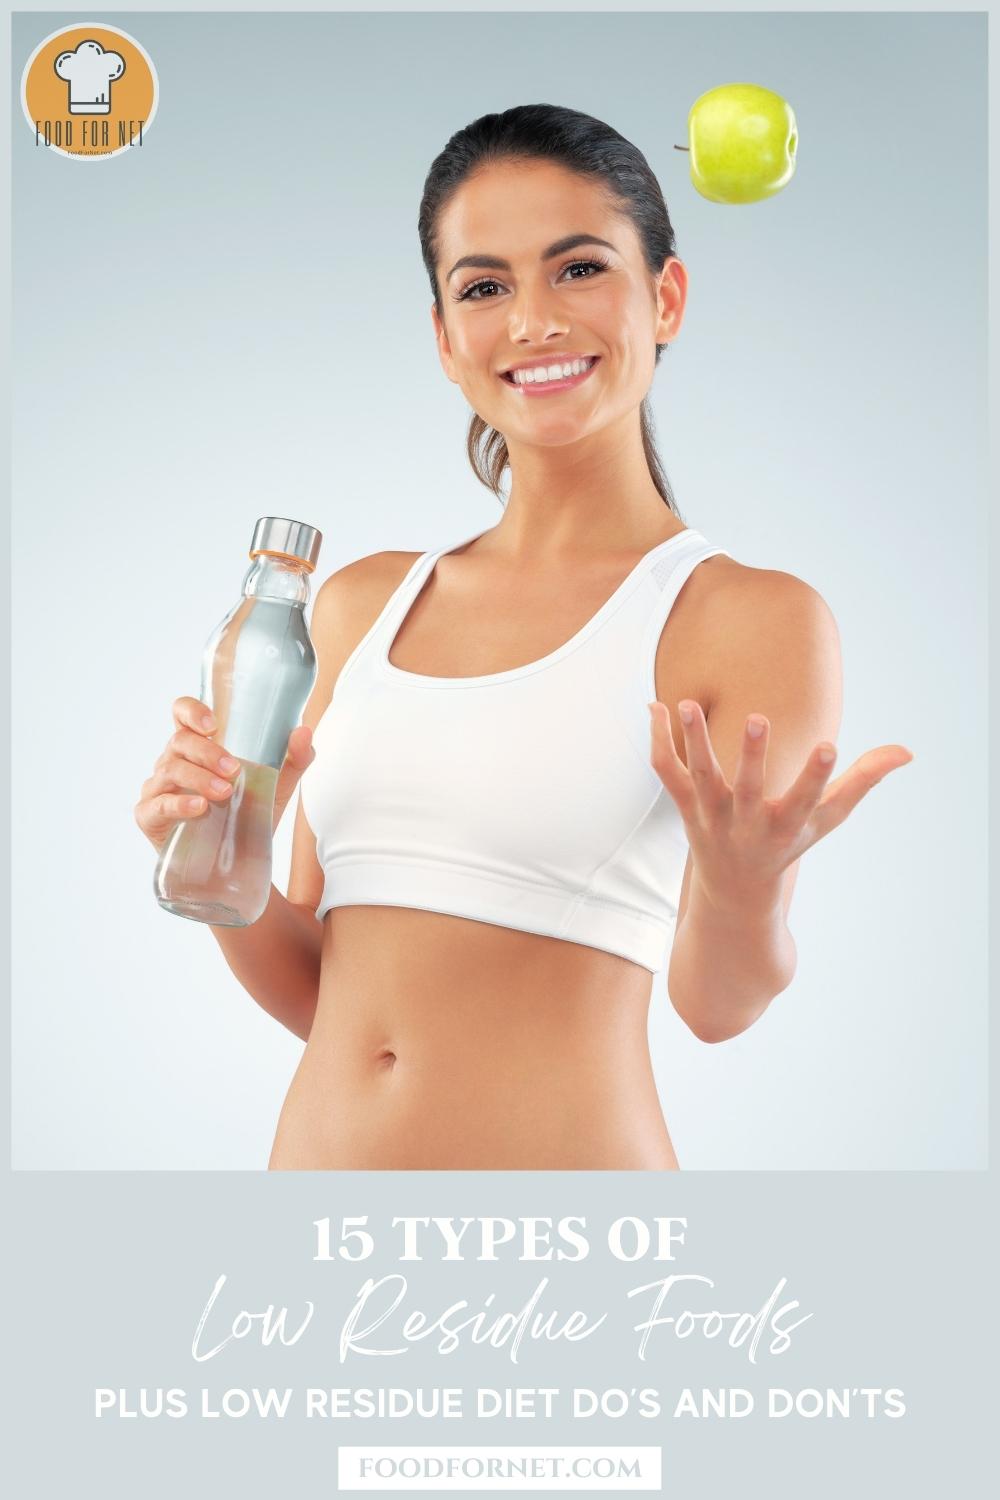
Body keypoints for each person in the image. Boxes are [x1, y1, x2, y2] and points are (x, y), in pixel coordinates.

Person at [135, 104, 913, 1170]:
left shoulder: (743, 619)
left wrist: (746, 889)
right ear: (446, 338)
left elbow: (719, 1007)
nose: (533, 320)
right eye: (485, 286)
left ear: (665, 297)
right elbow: (320, 989)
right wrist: (226, 864)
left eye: (580, 269)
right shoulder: (361, 604)